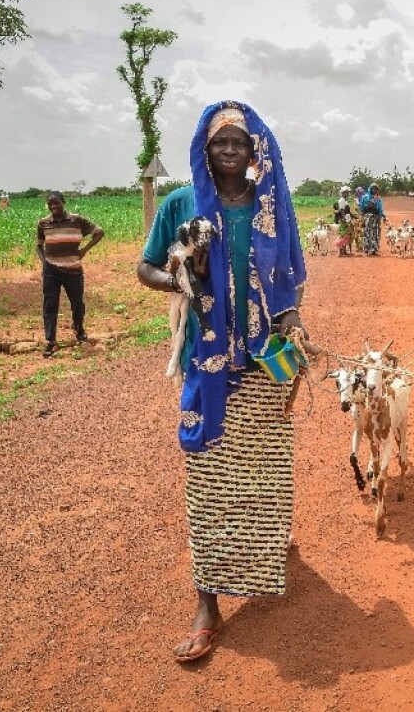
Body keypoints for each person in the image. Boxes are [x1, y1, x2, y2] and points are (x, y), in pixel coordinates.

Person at [136, 101, 309, 664]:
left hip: (266, 361)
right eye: (220, 143)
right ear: (204, 149)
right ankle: (207, 604)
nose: (230, 151)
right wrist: (181, 281)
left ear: (256, 148)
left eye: (240, 142)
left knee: (264, 472)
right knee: (209, 480)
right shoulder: (181, 204)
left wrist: (291, 322)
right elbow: (146, 267)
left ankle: (264, 556)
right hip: (207, 363)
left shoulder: (272, 205)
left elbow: (293, 276)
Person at [36, 191, 103, 356]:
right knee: (50, 305)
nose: (54, 207)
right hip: (51, 270)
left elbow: (99, 232)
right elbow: (39, 246)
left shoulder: (77, 220)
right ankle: (51, 341)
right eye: (50, 204)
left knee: (77, 303)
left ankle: (79, 331)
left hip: (73, 269)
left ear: (63, 202)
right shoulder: (43, 223)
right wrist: (45, 262)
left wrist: (84, 250)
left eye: (56, 203)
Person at [360, 183, 386, 256]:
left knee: (375, 234)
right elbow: (361, 209)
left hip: (375, 218)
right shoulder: (365, 197)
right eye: (372, 188)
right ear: (370, 189)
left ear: (377, 190)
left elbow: (380, 209)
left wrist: (382, 218)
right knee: (367, 233)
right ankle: (366, 249)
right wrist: (362, 219)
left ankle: (374, 250)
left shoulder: (378, 198)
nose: (374, 190)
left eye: (375, 189)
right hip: (367, 217)